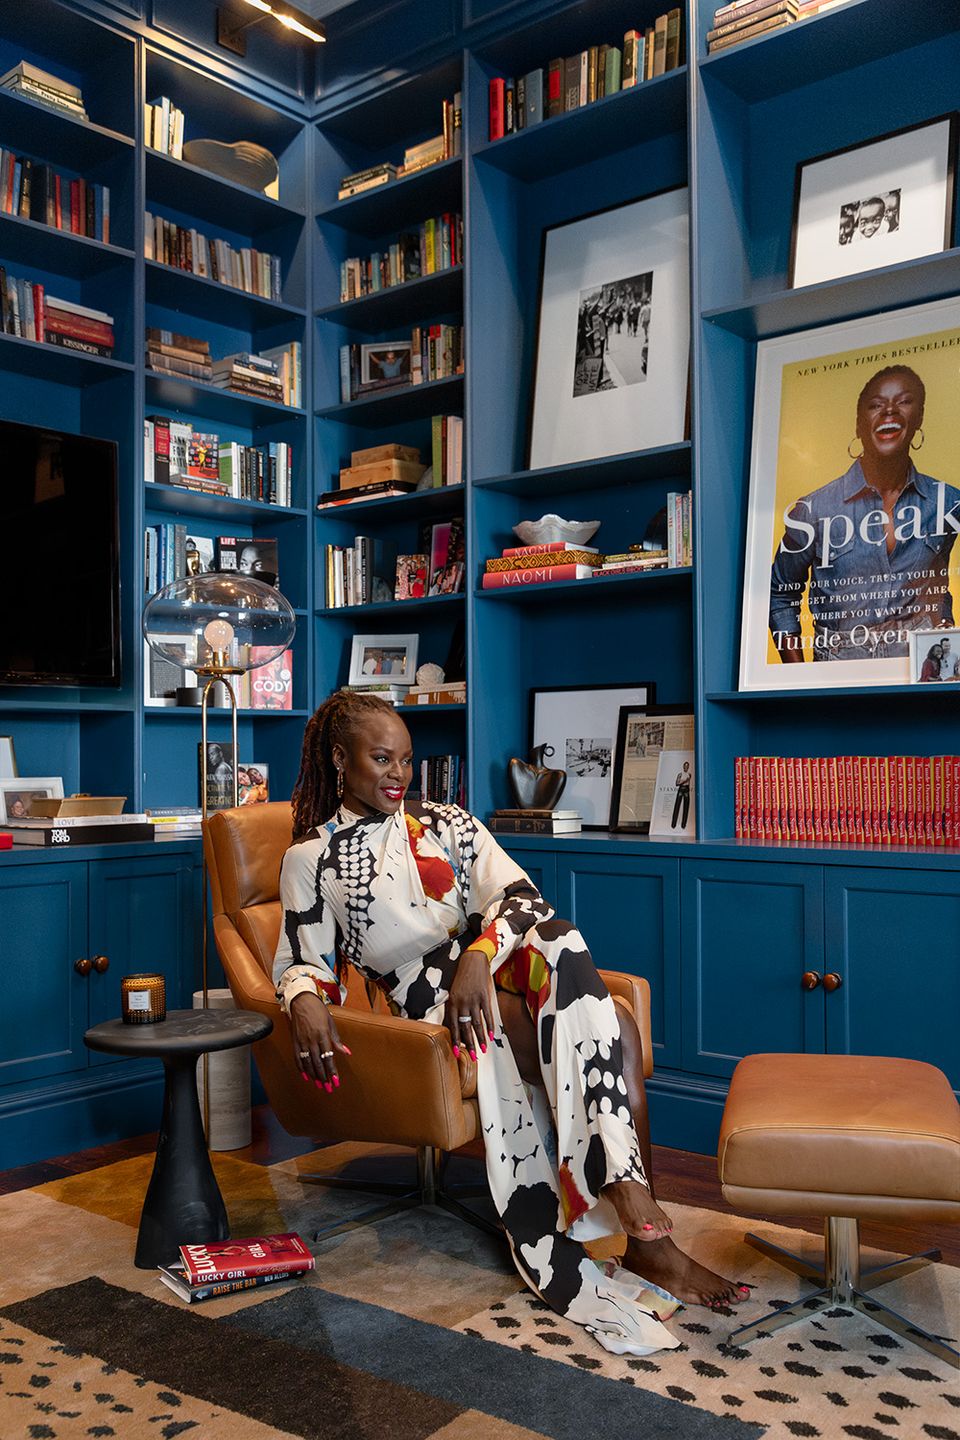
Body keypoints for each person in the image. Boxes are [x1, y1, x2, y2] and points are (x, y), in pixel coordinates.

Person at [273, 692, 748, 1357]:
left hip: (496, 964)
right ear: (338, 759)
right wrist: (303, 1001)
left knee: (559, 937)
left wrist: (477, 955)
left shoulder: (449, 821)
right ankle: (644, 1227)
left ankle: (638, 1218)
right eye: (382, 758)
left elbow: (523, 898)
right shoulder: (311, 860)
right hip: (433, 1006)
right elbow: (301, 960)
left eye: (407, 759)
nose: (399, 774)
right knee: (617, 1030)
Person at [769, 365, 960, 664]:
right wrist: (800, 679)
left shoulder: (948, 501)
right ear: (859, 425)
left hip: (920, 671)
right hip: (838, 672)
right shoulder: (813, 509)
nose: (890, 411)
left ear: (919, 417)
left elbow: (938, 587)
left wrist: (946, 649)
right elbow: (780, 595)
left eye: (904, 401)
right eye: (875, 405)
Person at [671, 762, 692, 830]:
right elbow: (677, 783)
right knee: (677, 806)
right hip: (681, 789)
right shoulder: (680, 774)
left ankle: (683, 825)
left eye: (687, 766)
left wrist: (686, 782)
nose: (686, 767)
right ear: (683, 767)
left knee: (686, 807)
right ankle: (673, 824)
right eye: (685, 766)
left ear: (688, 767)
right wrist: (685, 781)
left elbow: (688, 783)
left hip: (686, 790)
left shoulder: (689, 774)